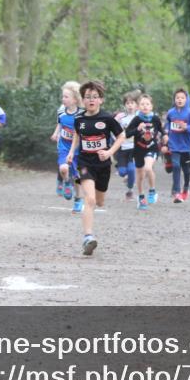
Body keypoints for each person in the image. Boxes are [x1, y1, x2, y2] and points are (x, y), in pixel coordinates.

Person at [66, 80, 125, 255]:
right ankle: (88, 237)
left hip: (103, 165)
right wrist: (71, 152)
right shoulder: (79, 119)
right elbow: (77, 135)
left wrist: (110, 152)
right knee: (89, 200)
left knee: (99, 201)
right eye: (87, 97)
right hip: (84, 163)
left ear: (101, 100)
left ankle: (89, 231)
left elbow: (121, 136)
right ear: (83, 100)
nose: (91, 100)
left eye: (94, 97)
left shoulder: (107, 119)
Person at [163, 89, 190, 203]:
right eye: (177, 98)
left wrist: (187, 127)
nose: (179, 100)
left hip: (186, 146)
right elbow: (167, 124)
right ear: (174, 100)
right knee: (176, 166)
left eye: (182, 98)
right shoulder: (171, 112)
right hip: (174, 144)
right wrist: (166, 133)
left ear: (186, 99)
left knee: (186, 170)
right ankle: (176, 191)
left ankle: (185, 188)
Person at [124, 94, 163, 210]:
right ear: (138, 107)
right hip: (138, 150)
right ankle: (141, 197)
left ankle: (152, 190)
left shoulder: (155, 119)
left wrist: (165, 136)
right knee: (140, 176)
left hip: (151, 148)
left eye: (147, 104)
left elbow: (162, 130)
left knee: (148, 168)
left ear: (151, 106)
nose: (145, 106)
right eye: (142, 104)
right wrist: (137, 129)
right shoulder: (136, 119)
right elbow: (127, 134)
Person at [50, 81, 84, 212]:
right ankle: (67, 182)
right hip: (64, 147)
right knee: (63, 168)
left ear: (75, 100)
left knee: (77, 176)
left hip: (78, 150)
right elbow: (60, 124)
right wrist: (55, 133)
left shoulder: (82, 114)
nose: (63, 99)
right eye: (62, 96)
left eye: (66, 97)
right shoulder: (61, 112)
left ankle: (78, 199)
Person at [114, 91, 140, 201]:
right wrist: (116, 139)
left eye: (132, 103)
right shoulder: (121, 117)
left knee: (131, 170)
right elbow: (113, 128)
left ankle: (130, 191)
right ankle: (127, 179)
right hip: (123, 149)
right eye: (127, 103)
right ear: (124, 105)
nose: (130, 105)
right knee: (122, 172)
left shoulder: (139, 117)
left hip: (134, 149)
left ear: (136, 105)